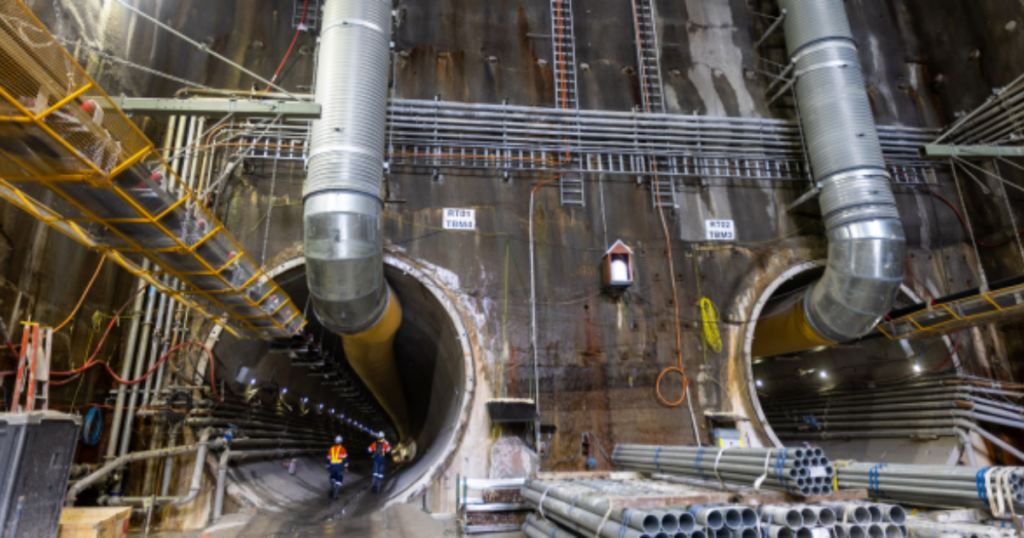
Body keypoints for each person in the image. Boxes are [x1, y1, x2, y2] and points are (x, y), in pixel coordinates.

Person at [326, 435, 348, 500]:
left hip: (332, 467)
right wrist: (346, 467)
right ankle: (335, 495)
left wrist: (328, 468)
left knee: (332, 478)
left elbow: (328, 459)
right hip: (339, 467)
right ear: (341, 442)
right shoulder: (343, 449)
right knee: (338, 480)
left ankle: (331, 490)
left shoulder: (331, 449)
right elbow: (345, 459)